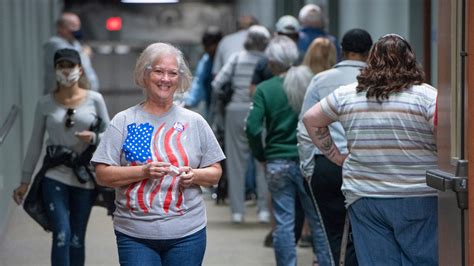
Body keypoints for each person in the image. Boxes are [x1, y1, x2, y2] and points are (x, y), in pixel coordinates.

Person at [303, 34, 438, 265]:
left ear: (371, 60)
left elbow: (311, 119)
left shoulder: (347, 94)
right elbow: (443, 136)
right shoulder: (426, 95)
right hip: (418, 195)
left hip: (365, 196)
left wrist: (336, 157)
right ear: (410, 60)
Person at [91, 42, 226, 265]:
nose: (165, 79)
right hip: (135, 234)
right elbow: (103, 175)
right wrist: (143, 171)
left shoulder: (194, 122)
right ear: (145, 74)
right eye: (158, 71)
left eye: (172, 73)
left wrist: (194, 175)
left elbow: (215, 172)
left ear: (180, 79)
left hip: (187, 234)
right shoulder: (125, 121)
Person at [12, 48, 110, 266]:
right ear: (55, 70)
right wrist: (25, 181)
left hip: (84, 177)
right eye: (61, 66)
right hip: (55, 175)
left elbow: (111, 136)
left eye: (70, 66)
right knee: (62, 234)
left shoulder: (95, 100)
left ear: (80, 69)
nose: (66, 71)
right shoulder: (45, 103)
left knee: (76, 239)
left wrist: (94, 137)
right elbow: (35, 143)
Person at [246, 35, 333, 266]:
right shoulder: (311, 82)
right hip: (309, 161)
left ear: (271, 62)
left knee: (283, 222)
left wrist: (261, 155)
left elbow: (253, 128)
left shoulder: (265, 89)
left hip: (277, 162)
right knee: (318, 221)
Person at [297, 28, 373, 265]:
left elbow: (305, 128)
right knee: (368, 234)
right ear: (370, 53)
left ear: (342, 50)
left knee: (333, 235)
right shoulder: (379, 82)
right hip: (368, 167)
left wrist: (308, 169)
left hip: (328, 165)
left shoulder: (321, 80)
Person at [212, 25, 271, 224]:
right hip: (260, 111)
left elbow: (217, 83)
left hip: (235, 111)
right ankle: (263, 210)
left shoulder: (236, 58)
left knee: (236, 163)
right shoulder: (267, 61)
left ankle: (237, 212)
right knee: (262, 161)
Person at [44, 12, 99, 93]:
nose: (77, 29)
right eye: (73, 26)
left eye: (78, 26)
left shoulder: (74, 43)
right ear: (61, 28)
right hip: (62, 97)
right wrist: (85, 54)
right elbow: (73, 60)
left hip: (82, 97)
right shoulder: (54, 44)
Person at [184, 26, 223, 117]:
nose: (207, 50)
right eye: (205, 46)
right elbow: (199, 81)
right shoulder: (206, 60)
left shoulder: (228, 59)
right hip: (211, 103)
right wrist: (189, 102)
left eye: (209, 46)